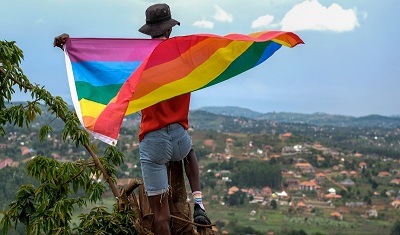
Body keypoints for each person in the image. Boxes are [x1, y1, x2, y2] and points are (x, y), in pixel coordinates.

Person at [53, 3, 211, 234]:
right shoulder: (182, 55)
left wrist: (69, 46)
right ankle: (198, 203)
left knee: (161, 216)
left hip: (154, 142)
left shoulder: (139, 60)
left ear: (149, 31)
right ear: (169, 29)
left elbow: (103, 67)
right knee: (190, 154)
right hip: (178, 137)